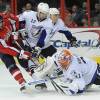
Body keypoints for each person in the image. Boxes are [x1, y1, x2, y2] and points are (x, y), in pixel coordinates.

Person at [34, 49, 100, 95]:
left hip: (95, 73)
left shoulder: (74, 68)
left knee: (77, 87)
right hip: (87, 70)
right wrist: (46, 72)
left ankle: (88, 83)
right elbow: (53, 60)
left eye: (64, 64)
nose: (62, 65)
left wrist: (71, 89)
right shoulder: (61, 55)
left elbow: (80, 84)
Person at [0, 14, 32, 92]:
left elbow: (16, 19)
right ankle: (22, 82)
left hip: (14, 43)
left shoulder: (6, 21)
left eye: (0, 22)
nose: (1, 24)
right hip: (4, 50)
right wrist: (21, 53)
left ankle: (35, 75)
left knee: (24, 62)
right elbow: (6, 48)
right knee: (10, 65)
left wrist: (15, 31)